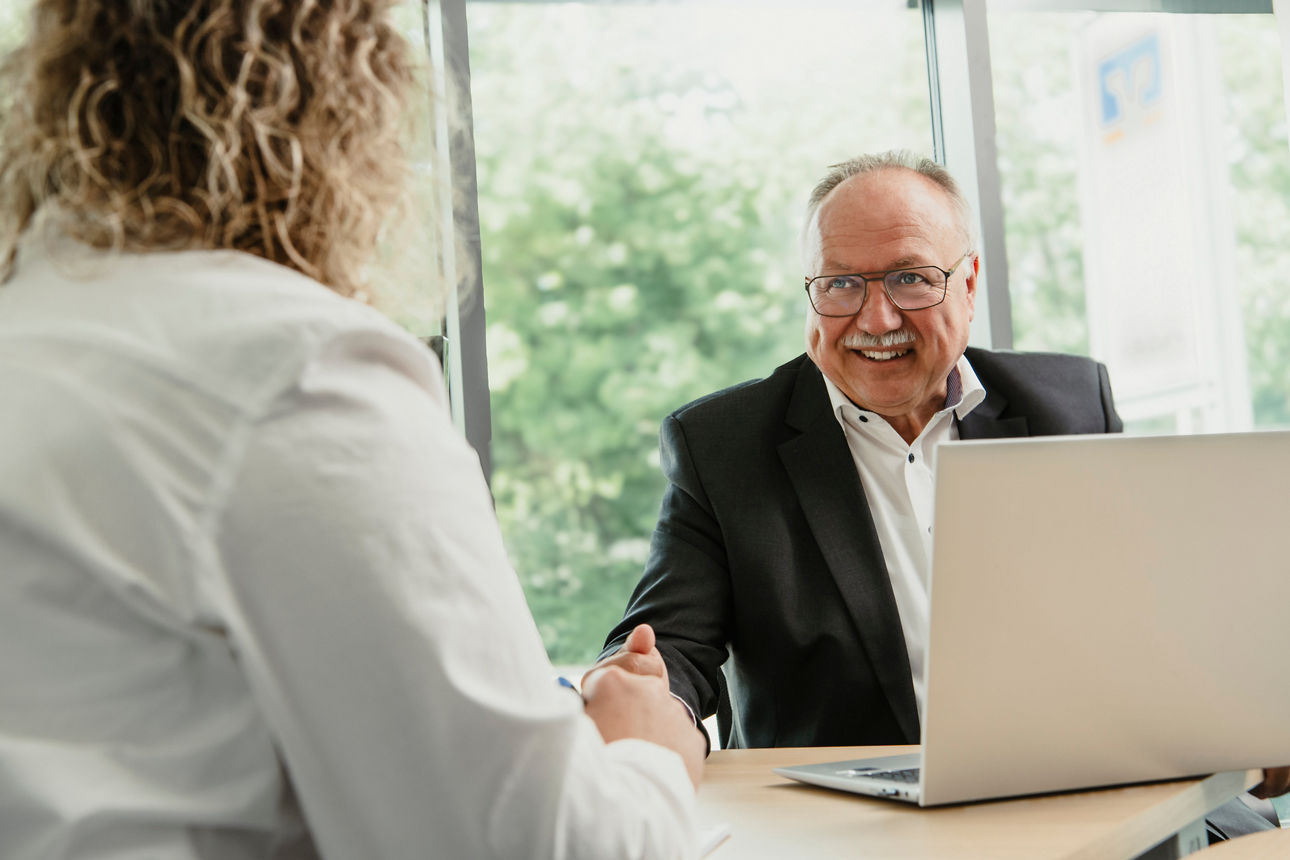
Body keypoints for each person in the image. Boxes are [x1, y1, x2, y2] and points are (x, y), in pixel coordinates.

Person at [0, 2, 702, 859]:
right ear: (343, 110)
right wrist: (647, 750)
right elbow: (531, 845)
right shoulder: (291, 367)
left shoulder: (32, 335)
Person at [593, 150, 1288, 836]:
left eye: (910, 279)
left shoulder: (1070, 403)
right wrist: (646, 700)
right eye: (840, 285)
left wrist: (1250, 700)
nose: (877, 319)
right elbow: (667, 652)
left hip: (1090, 790)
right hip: (855, 828)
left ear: (970, 283)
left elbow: (1157, 616)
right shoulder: (723, 445)